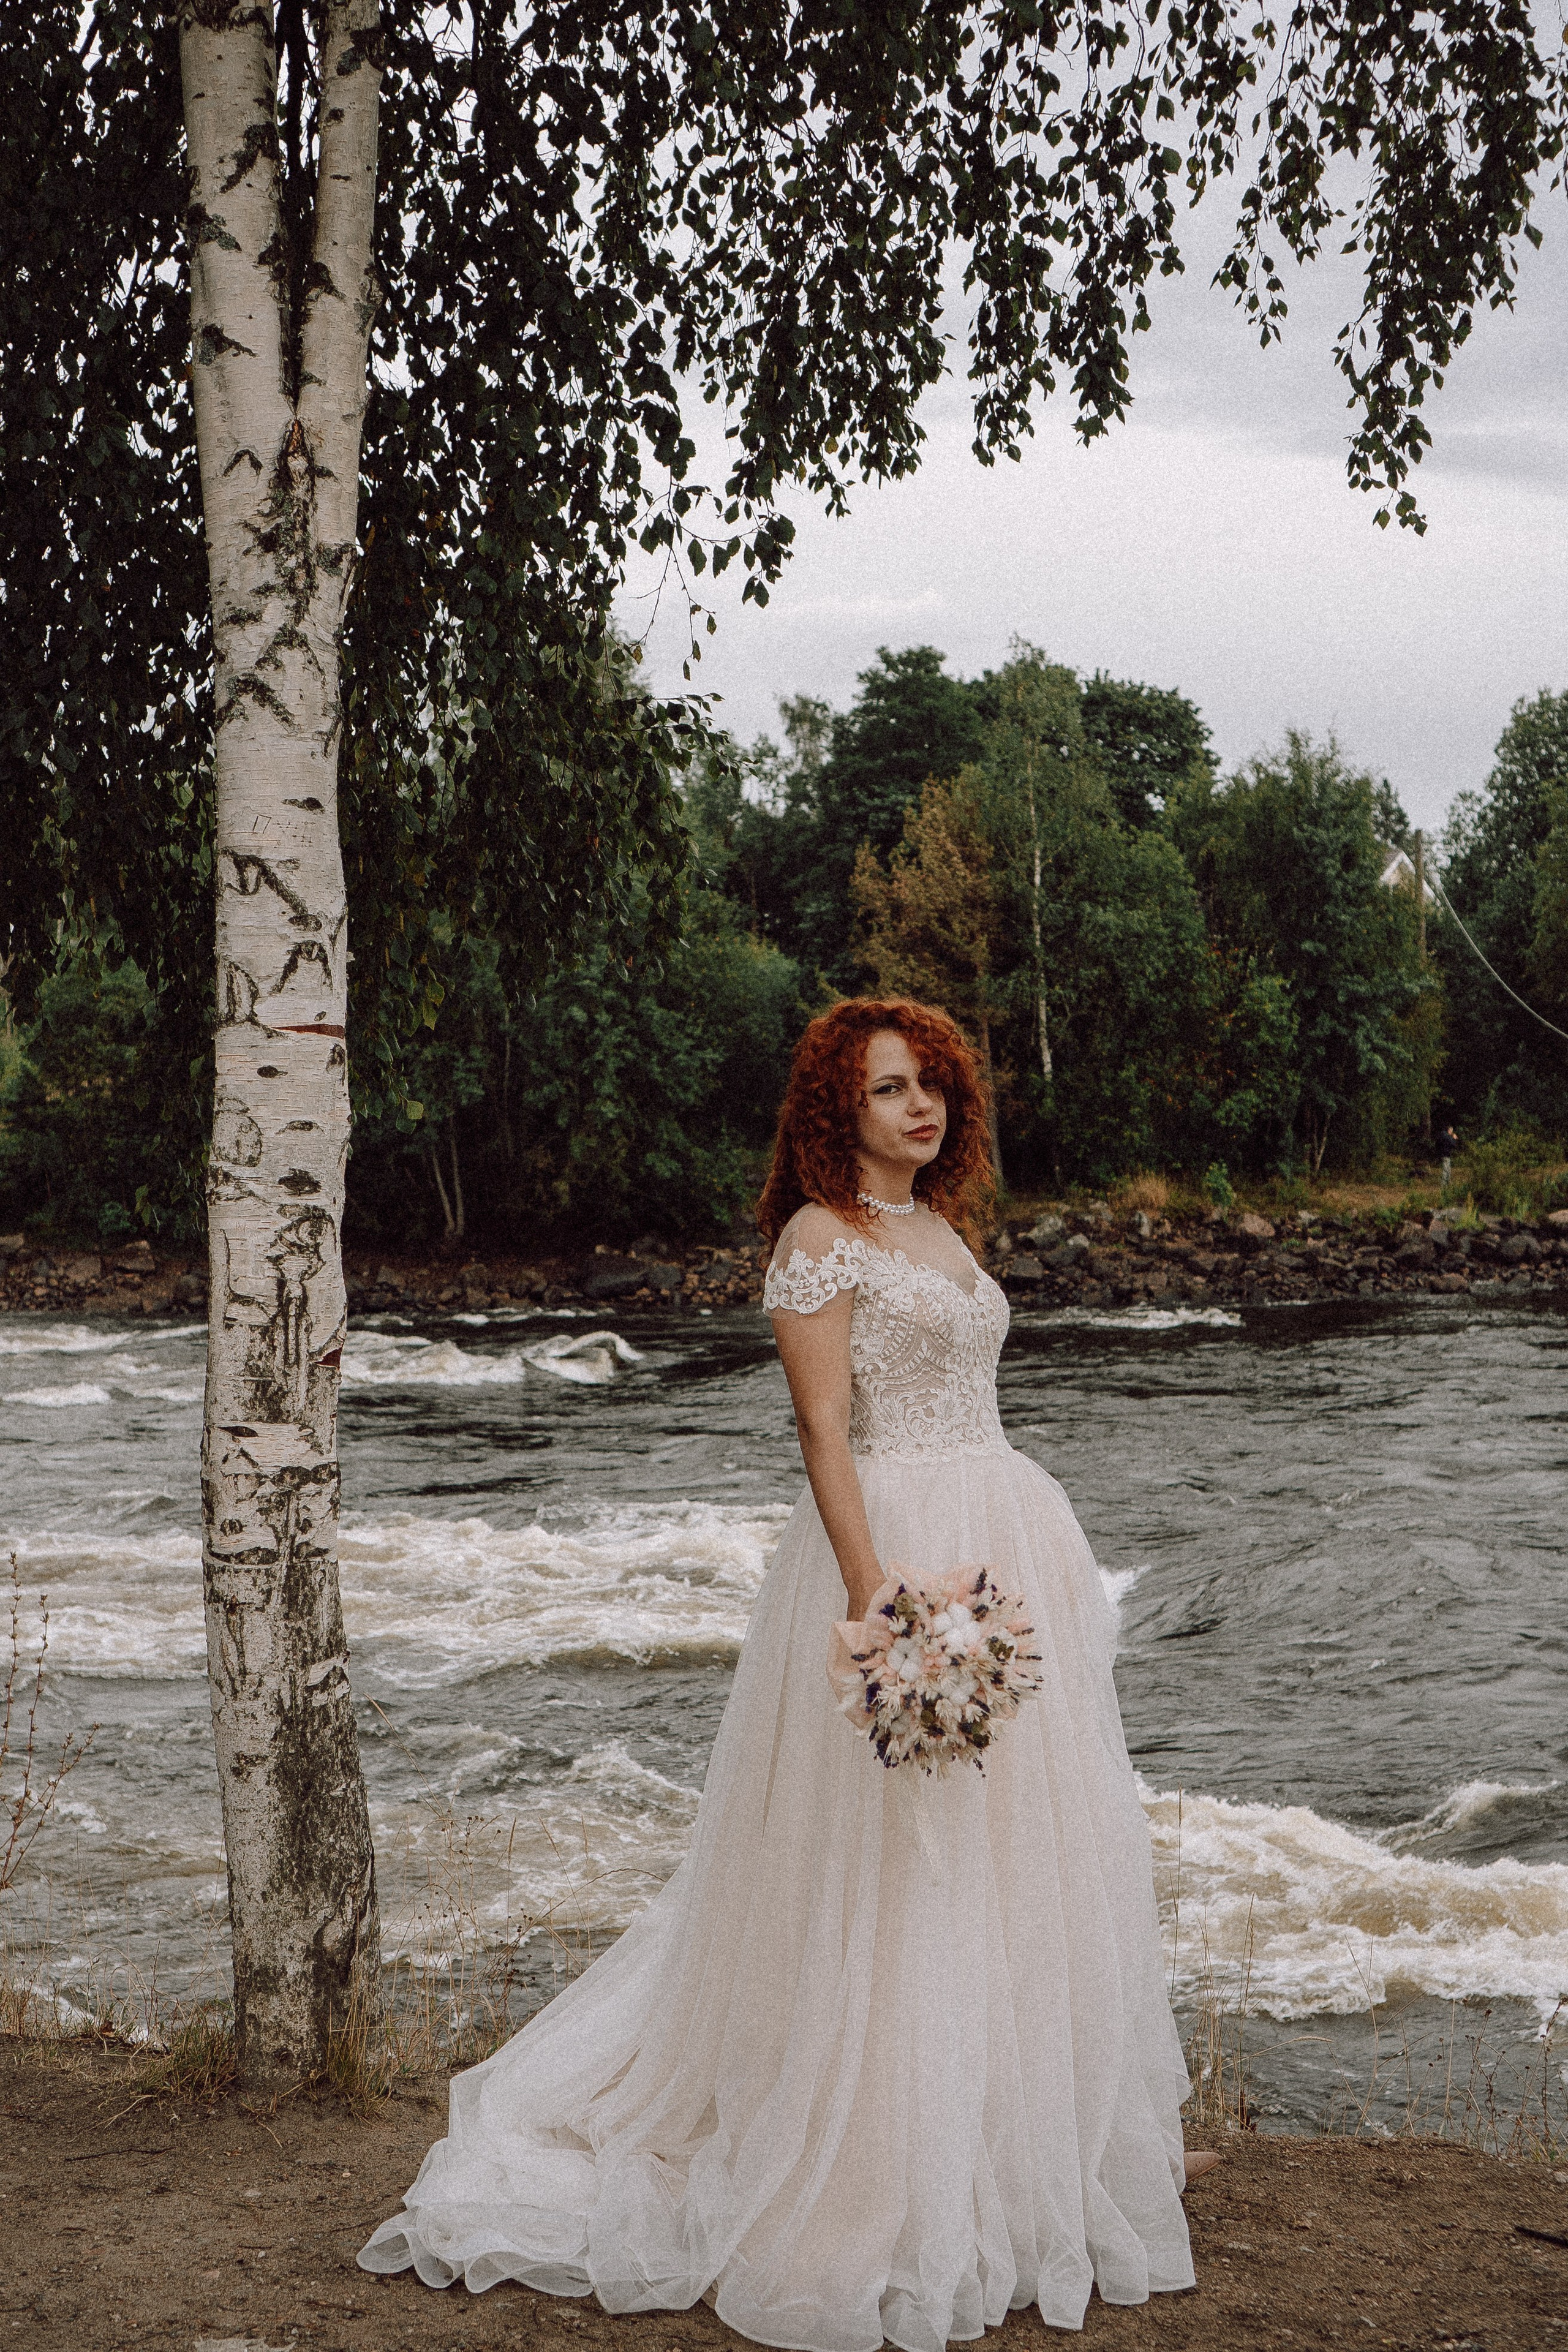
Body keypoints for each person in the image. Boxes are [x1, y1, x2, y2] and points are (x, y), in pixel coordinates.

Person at [360, 997, 1210, 2348]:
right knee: (895, 1863)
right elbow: (824, 1432)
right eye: (887, 1090)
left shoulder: (941, 1229)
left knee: (1021, 1853)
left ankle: (1029, 2149)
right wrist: (880, 1595)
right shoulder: (818, 1245)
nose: (918, 1107)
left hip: (1005, 1530)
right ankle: (874, 2168)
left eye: (930, 1085)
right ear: (836, 1111)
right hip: (898, 1546)